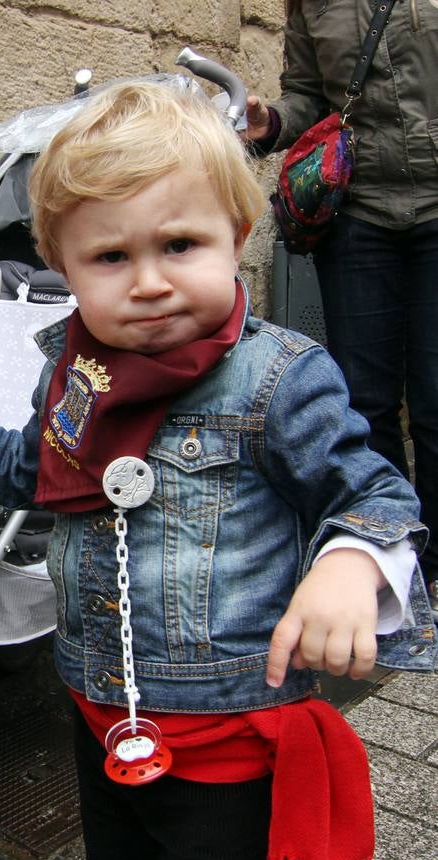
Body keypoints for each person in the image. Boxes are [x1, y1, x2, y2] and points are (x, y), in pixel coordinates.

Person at [0, 80, 436, 860]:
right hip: (100, 710)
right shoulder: (80, 371)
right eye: (110, 257)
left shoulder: (277, 380)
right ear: (62, 265)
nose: (148, 281)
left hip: (226, 742)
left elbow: (376, 494)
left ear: (236, 234)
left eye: (180, 244)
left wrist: (350, 564)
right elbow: (40, 476)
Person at [243, 0, 438, 605]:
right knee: (367, 399)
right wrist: (272, 123)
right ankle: (395, 556)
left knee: (436, 400)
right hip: (359, 216)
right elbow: (308, 96)